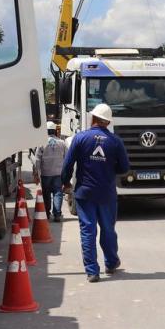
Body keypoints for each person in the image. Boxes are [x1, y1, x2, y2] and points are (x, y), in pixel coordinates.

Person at [61, 103, 129, 282]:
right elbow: (124, 168)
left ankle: (92, 271)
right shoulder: (115, 141)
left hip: (84, 193)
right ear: (108, 122)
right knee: (108, 229)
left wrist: (65, 182)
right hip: (106, 194)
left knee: (88, 231)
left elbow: (67, 165)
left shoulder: (80, 138)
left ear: (93, 118)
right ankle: (111, 263)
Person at [32, 121, 67, 221]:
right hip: (58, 173)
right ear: (55, 131)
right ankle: (57, 215)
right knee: (58, 193)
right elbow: (67, 158)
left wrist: (36, 173)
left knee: (46, 194)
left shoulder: (41, 143)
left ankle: (47, 213)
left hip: (46, 174)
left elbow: (37, 160)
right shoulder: (62, 143)